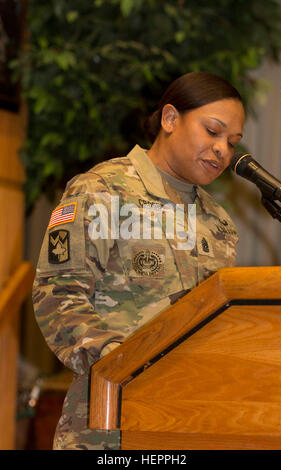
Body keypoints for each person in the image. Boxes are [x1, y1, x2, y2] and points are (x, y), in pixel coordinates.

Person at [32, 71, 245, 450]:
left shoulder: (219, 224)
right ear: (170, 119)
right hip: (107, 427)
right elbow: (57, 295)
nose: (222, 150)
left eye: (232, 142)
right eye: (213, 131)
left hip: (189, 424)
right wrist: (122, 361)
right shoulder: (101, 189)